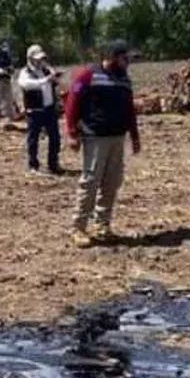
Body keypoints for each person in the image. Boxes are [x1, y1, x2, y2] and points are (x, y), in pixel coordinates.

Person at [64, 41, 141, 249]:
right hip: (95, 137)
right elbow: (72, 103)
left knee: (112, 182)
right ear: (112, 57)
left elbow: (129, 110)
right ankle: (78, 227)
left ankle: (102, 225)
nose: (128, 61)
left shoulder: (124, 79)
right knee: (90, 181)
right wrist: (71, 133)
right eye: (124, 57)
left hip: (117, 137)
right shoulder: (87, 75)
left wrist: (134, 136)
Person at [16, 44, 62, 175]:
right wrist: (46, 80)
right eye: (37, 59)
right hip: (34, 110)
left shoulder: (47, 70)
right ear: (30, 58)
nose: (39, 61)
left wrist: (55, 79)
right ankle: (33, 165)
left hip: (49, 109)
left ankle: (53, 164)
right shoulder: (25, 72)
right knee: (33, 139)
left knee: (55, 138)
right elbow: (26, 85)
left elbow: (55, 84)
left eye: (41, 58)